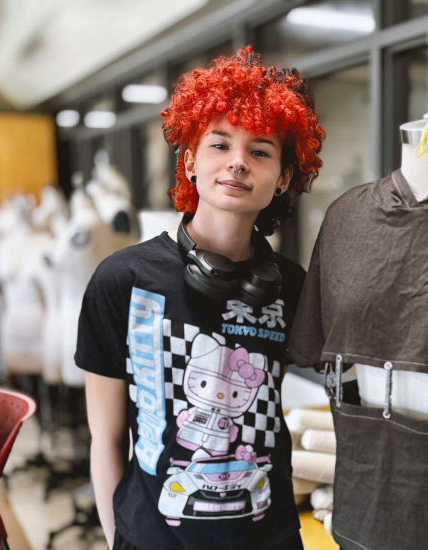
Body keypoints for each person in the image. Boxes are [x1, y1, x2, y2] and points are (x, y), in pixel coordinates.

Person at [75, 46, 325, 550]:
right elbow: (107, 439)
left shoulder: (293, 286)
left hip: (268, 537)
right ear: (190, 162)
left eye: (260, 150)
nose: (237, 163)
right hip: (152, 535)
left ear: (281, 178)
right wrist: (117, 537)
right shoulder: (121, 280)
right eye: (219, 144)